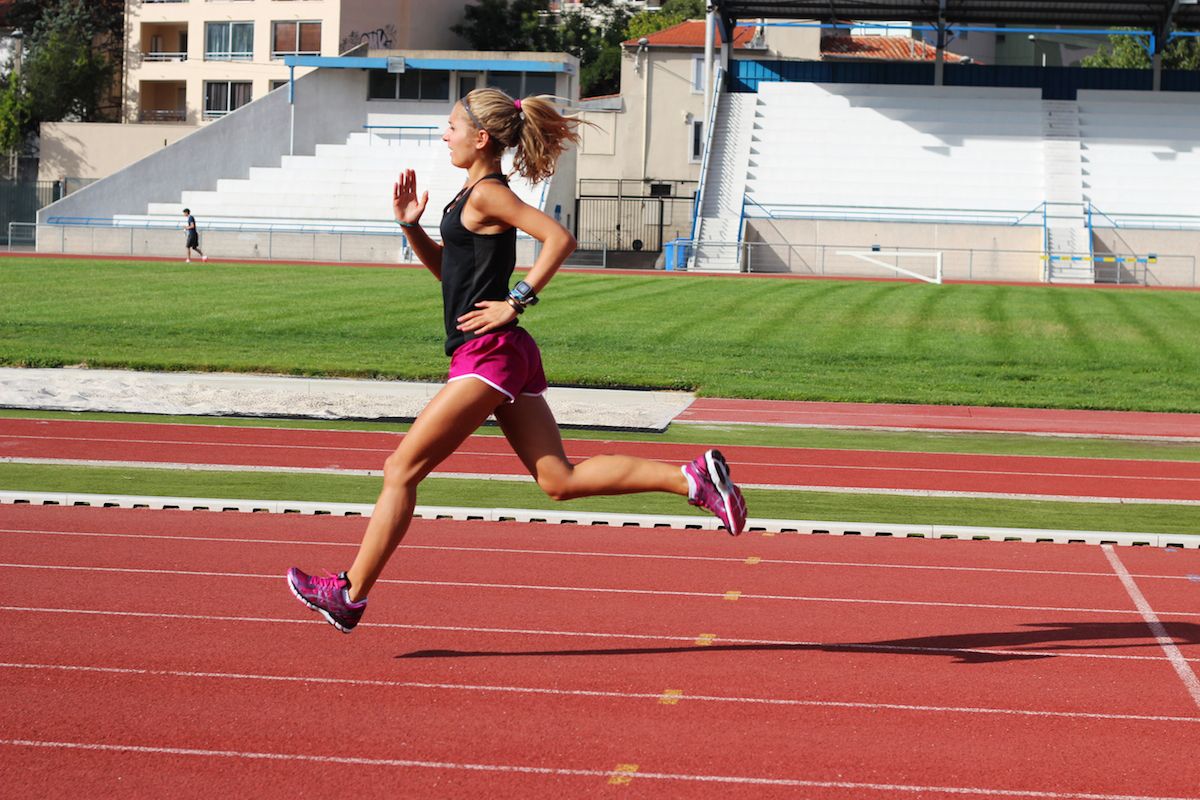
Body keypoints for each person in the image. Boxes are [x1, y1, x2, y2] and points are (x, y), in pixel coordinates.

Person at [286, 89, 747, 633]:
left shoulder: (488, 194)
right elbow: (455, 277)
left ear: (481, 138)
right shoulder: (470, 194)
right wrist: (412, 226)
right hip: (502, 354)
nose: (444, 135)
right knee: (559, 479)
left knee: (400, 469)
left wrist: (516, 300)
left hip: (490, 356)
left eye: (452, 126)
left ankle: (350, 593)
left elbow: (558, 238)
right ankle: (692, 480)